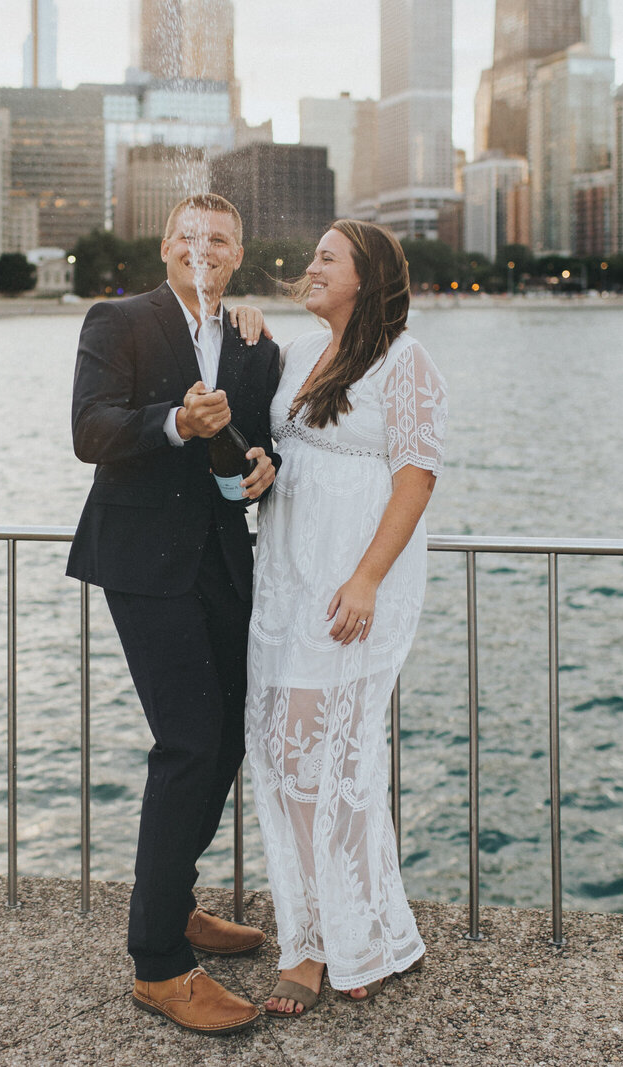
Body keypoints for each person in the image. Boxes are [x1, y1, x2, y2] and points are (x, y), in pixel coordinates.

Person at [66, 194, 282, 1036]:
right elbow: (89, 430)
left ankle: (175, 901)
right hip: (144, 564)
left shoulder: (255, 342)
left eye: (221, 238)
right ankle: (158, 962)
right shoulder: (116, 320)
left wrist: (263, 466)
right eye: (191, 235)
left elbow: (262, 444)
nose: (206, 247)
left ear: (236, 255)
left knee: (225, 738)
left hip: (224, 564)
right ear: (167, 247)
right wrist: (173, 422)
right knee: (189, 741)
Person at [241, 219, 447, 1017]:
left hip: (353, 590)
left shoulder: (405, 360)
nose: (312, 266)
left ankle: (331, 943)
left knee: (334, 761)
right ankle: (329, 928)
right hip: (285, 584)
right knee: (287, 759)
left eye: (330, 257)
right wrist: (262, 468)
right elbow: (278, 451)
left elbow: (416, 478)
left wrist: (365, 578)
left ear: (368, 277)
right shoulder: (294, 354)